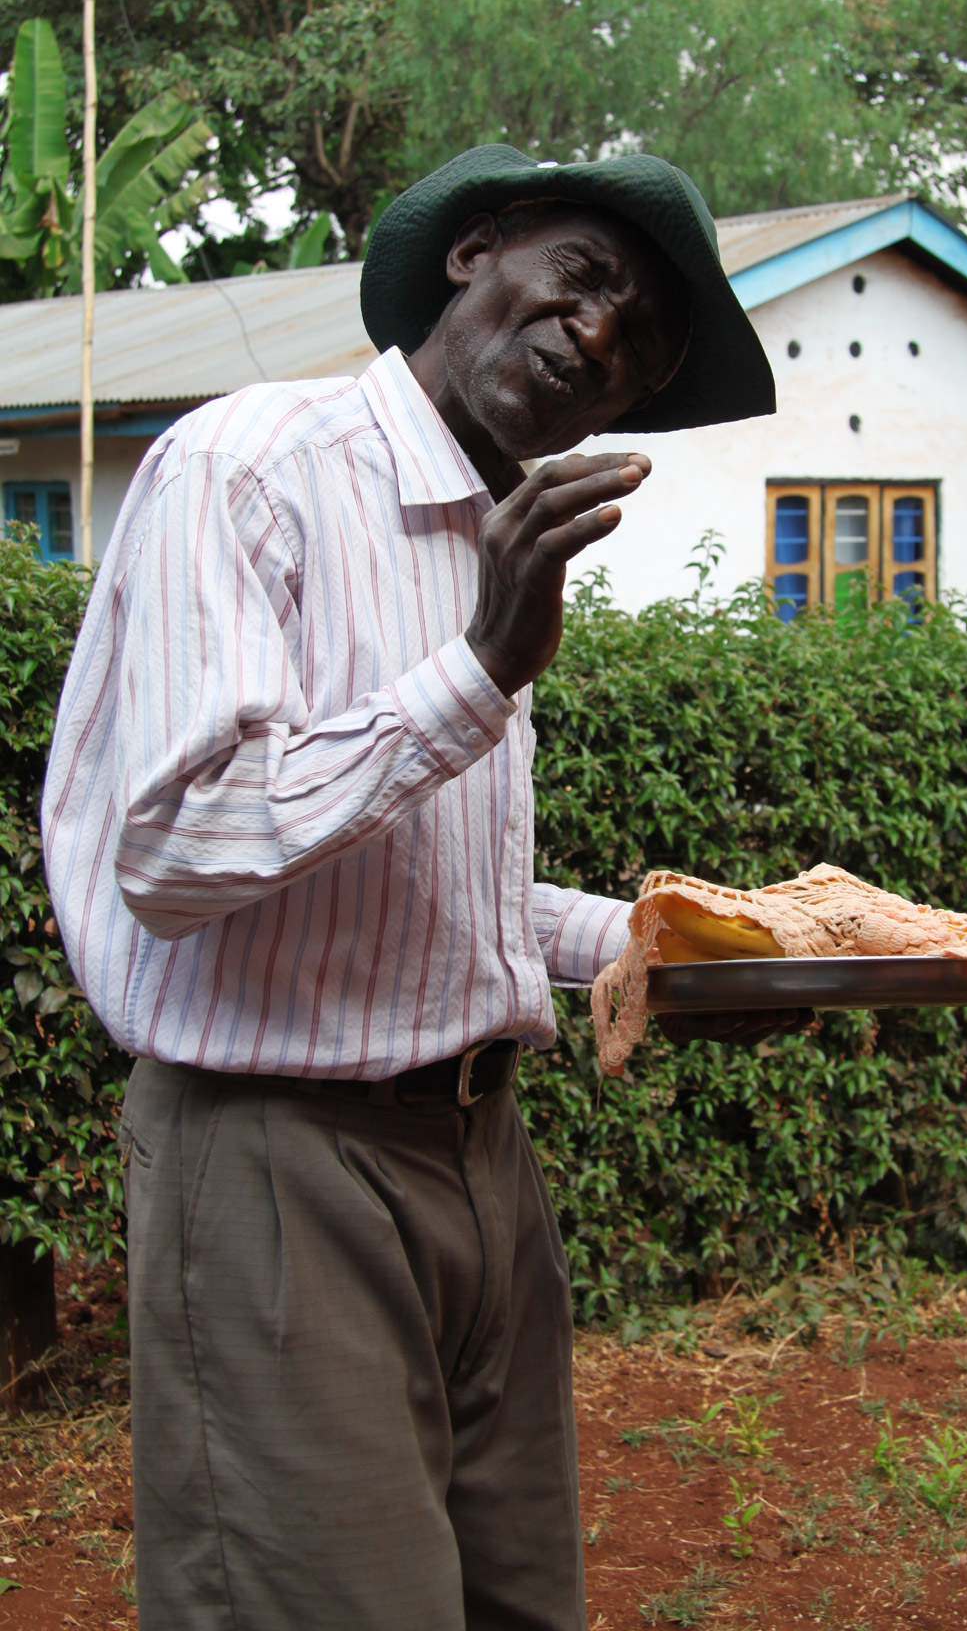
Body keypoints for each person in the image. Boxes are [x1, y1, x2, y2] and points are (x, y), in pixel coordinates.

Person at [42, 143, 793, 1631]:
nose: (599, 334)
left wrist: (654, 947)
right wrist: (477, 672)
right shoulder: (248, 466)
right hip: (276, 1167)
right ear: (477, 254)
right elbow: (181, 853)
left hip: (479, 1163)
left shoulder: (486, 536)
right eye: (584, 279)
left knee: (520, 1604)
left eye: (640, 336)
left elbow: (409, 886)